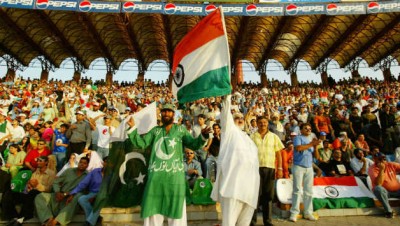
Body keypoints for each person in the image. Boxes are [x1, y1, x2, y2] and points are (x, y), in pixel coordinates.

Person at [126, 103, 209, 225]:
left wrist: (203, 135)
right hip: (156, 176)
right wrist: (133, 128)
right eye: (164, 111)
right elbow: (141, 143)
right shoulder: (155, 131)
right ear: (161, 113)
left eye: (169, 111)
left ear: (173, 114)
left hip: (175, 177)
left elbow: (193, 144)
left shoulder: (180, 129)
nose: (166, 114)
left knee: (176, 211)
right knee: (153, 210)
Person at [34, 157, 89, 226]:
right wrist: (57, 192)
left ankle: (56, 222)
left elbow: (85, 191)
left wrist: (70, 195)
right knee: (40, 196)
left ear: (87, 165)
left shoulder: (88, 176)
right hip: (59, 194)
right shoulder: (69, 171)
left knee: (78, 197)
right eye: (81, 162)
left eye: (84, 163)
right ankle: (48, 219)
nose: (82, 164)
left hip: (71, 199)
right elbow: (56, 182)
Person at [2, 156, 55, 226]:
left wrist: (37, 185)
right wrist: (29, 187)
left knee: (34, 192)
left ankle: (21, 218)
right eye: (38, 160)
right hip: (30, 193)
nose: (38, 162)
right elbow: (29, 184)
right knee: (10, 193)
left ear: (46, 162)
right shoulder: (35, 173)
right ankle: (13, 217)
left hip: (42, 195)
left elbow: (50, 188)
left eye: (40, 161)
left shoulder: (51, 174)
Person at [250, 116, 284, 226]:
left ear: (267, 124)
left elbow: (279, 154)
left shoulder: (274, 137)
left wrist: (279, 168)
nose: (263, 124)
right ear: (257, 124)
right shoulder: (252, 136)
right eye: (260, 122)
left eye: (264, 122)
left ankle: (268, 221)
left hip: (270, 168)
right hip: (255, 169)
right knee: (255, 196)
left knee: (268, 196)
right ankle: (252, 221)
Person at [289, 123, 320, 222]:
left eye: (310, 128)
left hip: (309, 167)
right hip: (298, 166)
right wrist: (311, 144)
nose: (308, 130)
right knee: (297, 190)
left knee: (308, 191)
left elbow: (317, 157)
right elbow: (298, 148)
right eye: (306, 128)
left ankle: (308, 212)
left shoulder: (311, 140)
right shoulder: (298, 138)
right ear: (301, 130)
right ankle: (294, 213)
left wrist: (315, 147)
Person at [65, 157, 107, 226]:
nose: (107, 164)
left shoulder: (113, 175)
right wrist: (73, 193)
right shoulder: (95, 171)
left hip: (105, 195)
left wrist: (98, 196)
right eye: (106, 162)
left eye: (110, 162)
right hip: (92, 193)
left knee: (100, 200)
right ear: (103, 163)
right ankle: (95, 218)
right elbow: (84, 183)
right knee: (81, 199)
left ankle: (89, 223)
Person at [368, 152, 400, 218]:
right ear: (375, 160)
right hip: (385, 192)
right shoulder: (372, 169)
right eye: (380, 159)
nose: (383, 161)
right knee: (378, 188)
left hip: (397, 190)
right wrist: (381, 170)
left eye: (384, 159)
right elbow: (378, 183)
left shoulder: (391, 164)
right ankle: (389, 211)